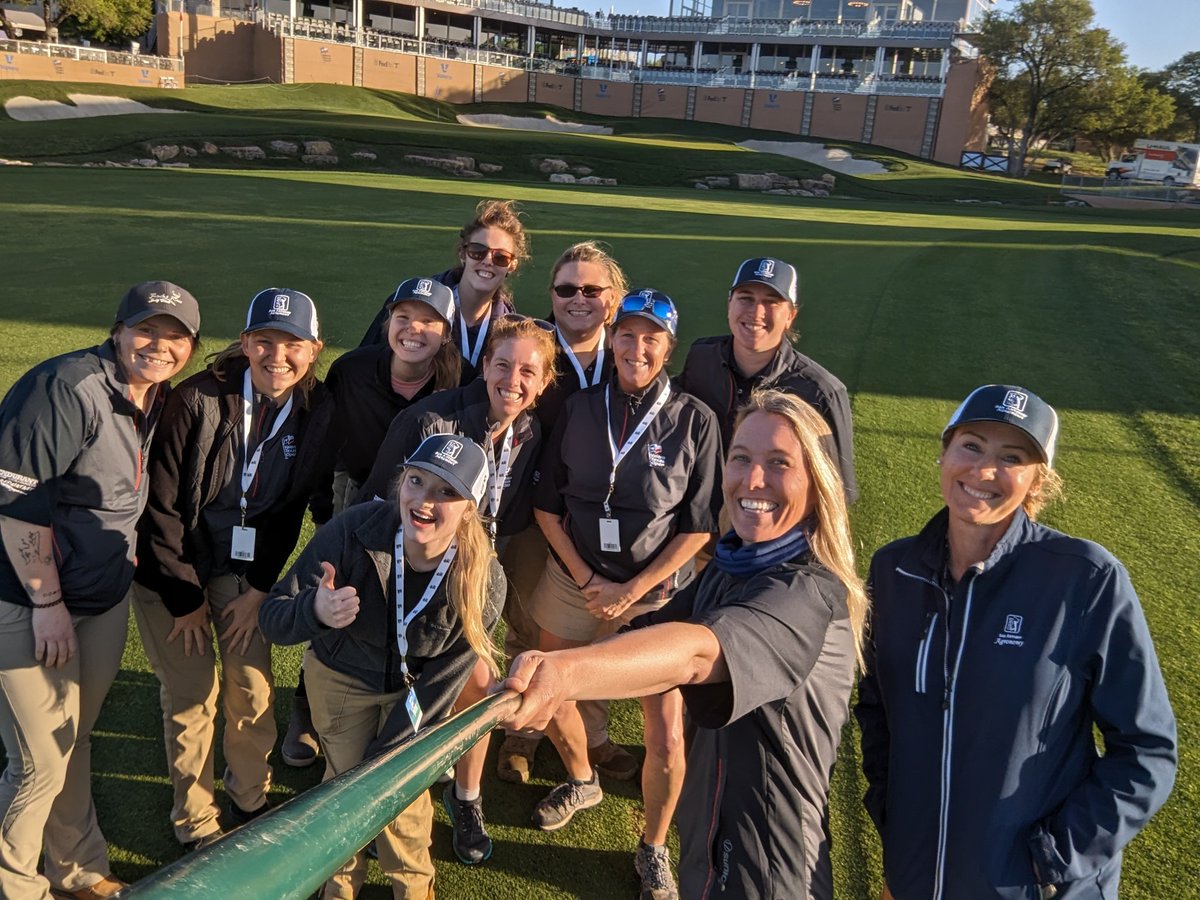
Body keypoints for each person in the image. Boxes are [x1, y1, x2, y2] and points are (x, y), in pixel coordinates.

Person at [501, 389, 867, 899]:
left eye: (779, 462)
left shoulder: (806, 591)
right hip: (709, 838)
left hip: (769, 866)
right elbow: (650, 631)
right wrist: (560, 662)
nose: (752, 479)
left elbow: (697, 653)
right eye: (741, 458)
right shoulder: (734, 563)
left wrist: (565, 674)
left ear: (817, 482)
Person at [854, 384, 1177, 900]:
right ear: (944, 453)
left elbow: (1146, 750)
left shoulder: (1085, 578)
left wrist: (1054, 859)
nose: (983, 472)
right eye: (972, 446)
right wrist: (897, 828)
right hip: (916, 878)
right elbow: (877, 710)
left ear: (1036, 480)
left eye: (1012, 457)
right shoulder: (894, 571)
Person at [0, 281, 201, 900]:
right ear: (117, 331)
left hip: (102, 598)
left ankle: (78, 868)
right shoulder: (65, 388)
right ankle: (19, 887)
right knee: (38, 763)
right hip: (27, 600)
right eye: (146, 329)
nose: (159, 345)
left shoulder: (153, 397)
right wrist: (47, 603)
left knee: (74, 741)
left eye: (175, 336)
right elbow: (16, 507)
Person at [528, 289, 722, 900]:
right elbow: (546, 504)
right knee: (551, 682)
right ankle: (583, 778)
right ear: (613, 340)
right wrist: (589, 581)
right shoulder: (580, 408)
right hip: (574, 578)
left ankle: (654, 845)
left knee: (665, 736)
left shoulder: (695, 418)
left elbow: (700, 524)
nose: (638, 348)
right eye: (629, 335)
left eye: (652, 338)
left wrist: (632, 588)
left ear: (669, 347)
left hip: (655, 595)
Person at [259, 433, 505, 900]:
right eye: (416, 481)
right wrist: (315, 610)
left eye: (446, 492)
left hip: (417, 697)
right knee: (342, 801)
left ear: (470, 507)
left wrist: (384, 762)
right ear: (400, 480)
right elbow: (273, 617)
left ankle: (414, 890)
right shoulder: (354, 529)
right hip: (340, 682)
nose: (424, 501)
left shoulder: (485, 579)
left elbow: (442, 684)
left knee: (401, 806)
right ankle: (338, 890)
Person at [131, 288, 332, 854]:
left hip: (242, 570)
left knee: (252, 685)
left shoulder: (317, 410)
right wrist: (184, 600)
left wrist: (261, 589)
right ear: (245, 343)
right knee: (194, 695)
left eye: (292, 344)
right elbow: (160, 511)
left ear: (314, 350)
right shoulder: (195, 399)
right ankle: (194, 819)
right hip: (171, 571)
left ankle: (250, 796)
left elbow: (289, 509)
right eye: (264, 341)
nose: (277, 356)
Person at [359, 314, 556, 866]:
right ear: (485, 365)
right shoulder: (431, 421)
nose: (512, 380)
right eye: (501, 365)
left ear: (543, 383)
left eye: (527, 371)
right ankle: (384, 809)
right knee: (414, 694)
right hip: (407, 578)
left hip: (475, 581)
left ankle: (464, 798)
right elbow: (377, 504)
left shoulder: (529, 431)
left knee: (473, 687)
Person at [281, 278, 459, 770]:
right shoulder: (353, 370)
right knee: (332, 596)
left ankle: (401, 702)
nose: (413, 330)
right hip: (354, 491)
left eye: (428, 321)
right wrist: (325, 512)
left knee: (401, 600)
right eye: (403, 317)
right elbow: (322, 441)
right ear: (388, 322)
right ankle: (306, 709)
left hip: (422, 504)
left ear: (446, 334)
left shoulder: (454, 382)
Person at [495, 240, 629, 786]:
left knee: (599, 634)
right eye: (565, 289)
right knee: (530, 623)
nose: (578, 299)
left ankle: (590, 737)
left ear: (613, 299)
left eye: (591, 289)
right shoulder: (535, 349)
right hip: (535, 516)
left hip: (607, 522)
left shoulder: (631, 351)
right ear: (550, 296)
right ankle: (521, 734)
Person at [676, 256, 857, 501]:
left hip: (767, 522)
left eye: (771, 302)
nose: (756, 312)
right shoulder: (701, 358)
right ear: (729, 304)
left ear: (790, 315)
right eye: (745, 299)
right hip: (698, 515)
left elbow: (836, 492)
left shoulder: (821, 392)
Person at [359, 199, 529, 374]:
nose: (487, 261)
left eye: (500, 257)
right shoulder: (413, 300)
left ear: (512, 264)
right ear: (463, 254)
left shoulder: (509, 327)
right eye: (478, 251)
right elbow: (362, 364)